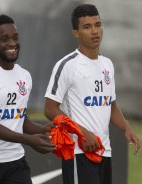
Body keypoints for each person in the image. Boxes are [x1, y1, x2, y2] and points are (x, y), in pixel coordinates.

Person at [44, 4, 140, 184]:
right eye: (87, 27)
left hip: (105, 151)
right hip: (78, 152)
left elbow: (110, 105)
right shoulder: (67, 65)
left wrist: (126, 127)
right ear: (76, 33)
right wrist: (82, 133)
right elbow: (50, 109)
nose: (94, 31)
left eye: (97, 24)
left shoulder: (107, 64)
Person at [0, 14, 56, 184]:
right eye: (4, 39)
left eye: (15, 37)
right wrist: (29, 140)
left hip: (16, 162)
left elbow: (19, 117)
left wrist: (42, 129)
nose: (12, 43)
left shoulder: (24, 75)